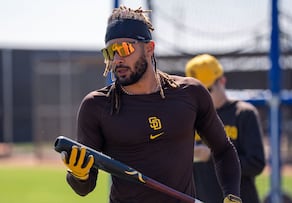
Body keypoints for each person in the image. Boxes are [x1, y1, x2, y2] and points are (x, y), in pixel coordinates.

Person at [59, 5, 242, 203]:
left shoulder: (191, 93)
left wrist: (232, 195)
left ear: (149, 48)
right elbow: (85, 187)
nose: (117, 59)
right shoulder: (96, 106)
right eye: (110, 52)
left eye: (124, 48)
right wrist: (78, 175)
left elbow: (223, 150)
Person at [185, 54, 266, 203]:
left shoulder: (243, 114)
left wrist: (211, 157)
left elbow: (256, 164)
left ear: (222, 81)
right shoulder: (190, 118)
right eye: (197, 91)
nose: (203, 97)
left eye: (207, 89)